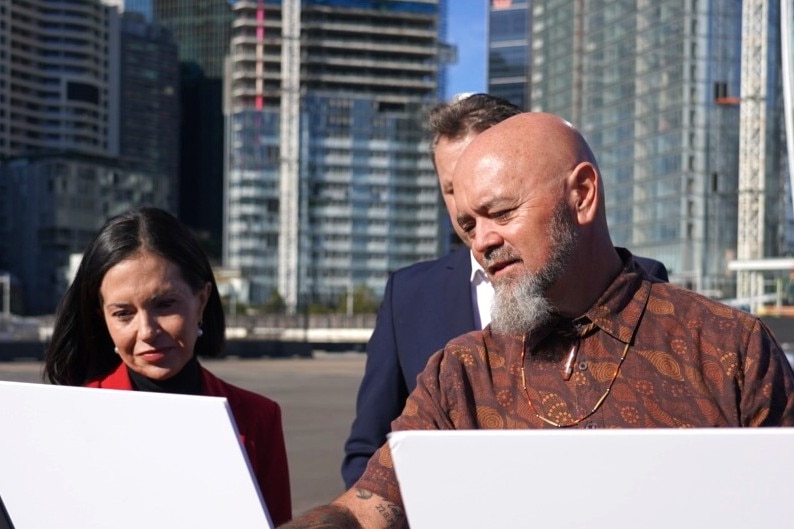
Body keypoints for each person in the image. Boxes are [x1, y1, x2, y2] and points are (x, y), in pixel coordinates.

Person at [283, 112, 794, 529]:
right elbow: (366, 510)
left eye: (501, 212)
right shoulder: (460, 372)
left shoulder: (729, 347)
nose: (480, 242)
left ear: (583, 194)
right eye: (467, 224)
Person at [341, 93, 669, 487]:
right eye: (451, 187)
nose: (468, 202)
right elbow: (370, 450)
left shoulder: (650, 295)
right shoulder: (408, 295)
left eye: (495, 198)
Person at [43, 206, 292, 526]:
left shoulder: (258, 417)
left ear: (201, 301)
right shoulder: (66, 419)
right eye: (123, 313)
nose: (147, 331)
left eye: (164, 305)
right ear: (101, 316)